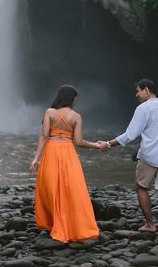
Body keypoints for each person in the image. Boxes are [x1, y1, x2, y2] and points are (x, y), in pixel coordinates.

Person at [99, 78, 158, 246]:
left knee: (142, 187)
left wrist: (108, 144)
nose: (137, 95)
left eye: (138, 91)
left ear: (147, 89)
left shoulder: (143, 109)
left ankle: (150, 224)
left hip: (149, 156)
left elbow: (130, 134)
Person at [30, 84, 100, 243]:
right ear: (72, 99)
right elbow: (79, 142)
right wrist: (96, 145)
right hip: (68, 152)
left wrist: (36, 158)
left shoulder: (50, 112)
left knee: (51, 187)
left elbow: (43, 136)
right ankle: (71, 224)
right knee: (71, 188)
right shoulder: (76, 117)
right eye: (76, 99)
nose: (76, 101)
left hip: (51, 151)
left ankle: (55, 222)